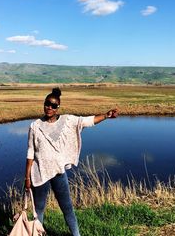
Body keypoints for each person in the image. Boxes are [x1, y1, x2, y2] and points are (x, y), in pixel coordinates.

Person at [25, 87, 118, 236]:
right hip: (40, 173)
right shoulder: (35, 126)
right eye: (47, 104)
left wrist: (106, 116)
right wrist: (27, 176)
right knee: (39, 211)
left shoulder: (67, 120)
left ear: (58, 108)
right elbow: (30, 152)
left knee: (67, 209)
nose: (49, 107)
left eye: (53, 105)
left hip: (59, 173)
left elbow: (87, 121)